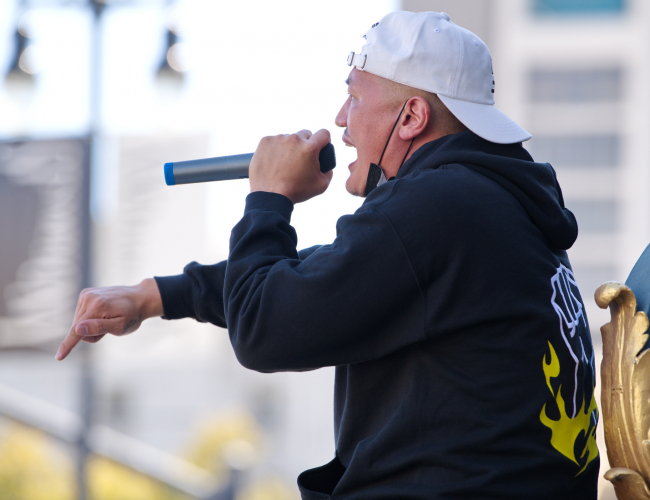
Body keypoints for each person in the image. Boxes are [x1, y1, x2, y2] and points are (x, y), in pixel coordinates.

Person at [56, 11, 599, 499]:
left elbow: (266, 328)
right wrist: (155, 296)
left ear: (411, 117)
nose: (340, 120)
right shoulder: (497, 207)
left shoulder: (436, 205)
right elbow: (324, 276)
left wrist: (269, 198)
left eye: (354, 97)